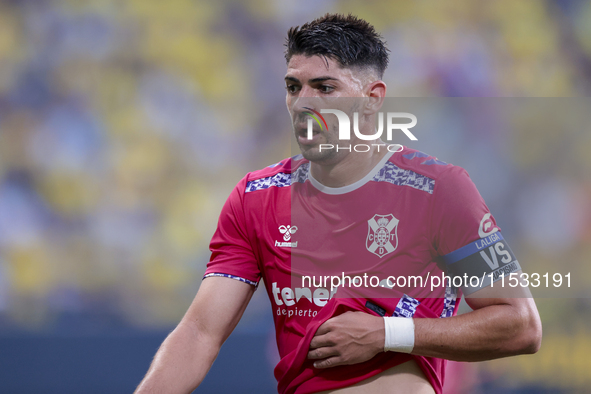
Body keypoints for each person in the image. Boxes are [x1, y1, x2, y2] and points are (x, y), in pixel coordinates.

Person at [134, 13, 541, 394]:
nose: (304, 103)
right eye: (294, 87)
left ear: (371, 98)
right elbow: (199, 333)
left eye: (324, 87)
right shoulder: (255, 198)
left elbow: (520, 324)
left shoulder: (439, 189)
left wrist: (387, 333)